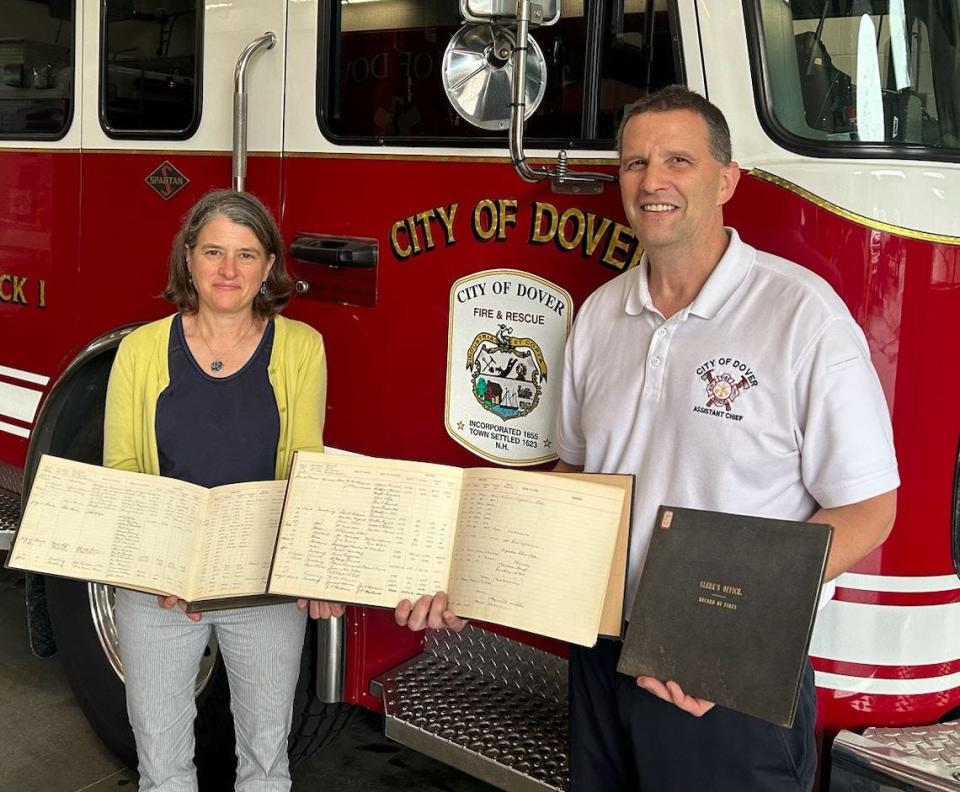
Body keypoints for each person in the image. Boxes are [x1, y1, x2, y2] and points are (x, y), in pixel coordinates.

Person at [395, 85, 899, 792]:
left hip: (726, 675)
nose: (652, 181)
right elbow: (575, 477)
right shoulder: (602, 314)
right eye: (635, 164)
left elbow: (869, 509)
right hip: (602, 652)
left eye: (678, 160)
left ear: (727, 179)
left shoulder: (802, 317)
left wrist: (726, 640)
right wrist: (464, 568)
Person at [103, 188, 343, 792]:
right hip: (158, 589)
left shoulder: (301, 348)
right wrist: (149, 567)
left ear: (268, 266)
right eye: (213, 251)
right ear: (188, 258)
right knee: (162, 769)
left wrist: (309, 571)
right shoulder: (139, 351)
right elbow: (123, 469)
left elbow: (303, 470)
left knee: (266, 765)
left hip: (261, 587)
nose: (228, 270)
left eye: (245, 254)